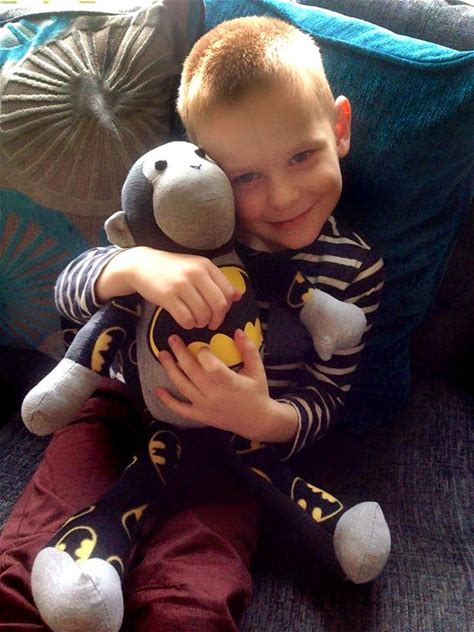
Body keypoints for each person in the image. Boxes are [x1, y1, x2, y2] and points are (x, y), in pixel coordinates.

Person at [0, 16, 387, 631]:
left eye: (302, 155)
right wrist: (136, 266)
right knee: (32, 562)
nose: (283, 196)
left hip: (237, 446)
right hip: (122, 409)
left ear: (339, 128)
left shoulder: (353, 269)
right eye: (246, 177)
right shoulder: (179, 225)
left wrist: (263, 418)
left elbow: (328, 394)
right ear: (206, 168)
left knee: (194, 597)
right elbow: (69, 293)